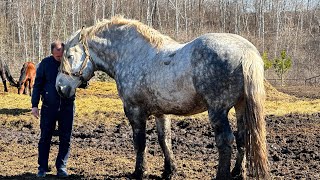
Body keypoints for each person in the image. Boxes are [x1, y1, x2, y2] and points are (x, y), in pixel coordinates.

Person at [31, 40, 75, 178]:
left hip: (67, 107)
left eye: (62, 54)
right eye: (57, 56)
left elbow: (81, 81)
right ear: (52, 52)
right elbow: (37, 85)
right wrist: (34, 105)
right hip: (48, 108)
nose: (60, 58)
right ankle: (42, 167)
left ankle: (61, 166)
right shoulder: (45, 64)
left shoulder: (70, 64)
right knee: (45, 138)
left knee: (66, 138)